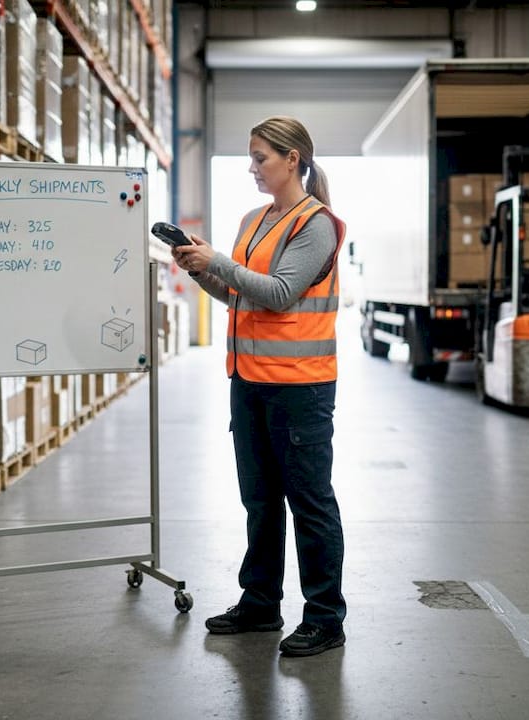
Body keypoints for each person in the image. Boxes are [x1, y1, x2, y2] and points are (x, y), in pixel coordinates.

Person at [172, 116, 348, 658]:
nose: (253, 168)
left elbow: (279, 292)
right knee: (261, 502)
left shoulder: (315, 223)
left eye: (261, 158)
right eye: (250, 158)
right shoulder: (253, 220)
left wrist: (219, 261)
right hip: (249, 383)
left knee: (310, 503)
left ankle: (325, 617)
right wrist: (202, 270)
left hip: (300, 389)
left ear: (292, 158)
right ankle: (261, 603)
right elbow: (241, 295)